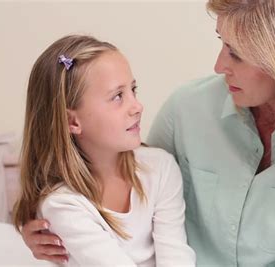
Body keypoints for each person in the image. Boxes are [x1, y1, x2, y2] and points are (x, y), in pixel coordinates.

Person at [20, 0, 275, 266]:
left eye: (236, 54)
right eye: (221, 43)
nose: (218, 65)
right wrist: (40, 227)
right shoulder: (186, 110)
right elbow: (124, 182)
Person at [12, 35, 196, 266]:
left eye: (133, 89)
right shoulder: (63, 204)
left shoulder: (159, 167)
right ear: (72, 121)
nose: (137, 106)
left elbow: (176, 255)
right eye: (118, 96)